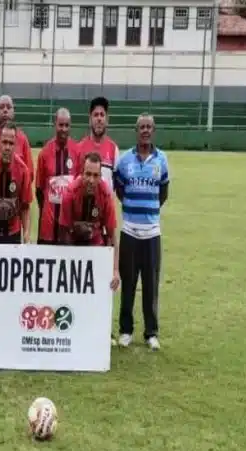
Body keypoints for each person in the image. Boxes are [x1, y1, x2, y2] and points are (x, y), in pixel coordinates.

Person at [114, 114, 170, 351]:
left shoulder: (162, 160)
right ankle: (126, 330)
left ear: (153, 130)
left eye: (149, 127)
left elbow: (163, 194)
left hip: (151, 233)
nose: (145, 131)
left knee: (151, 284)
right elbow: (119, 189)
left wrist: (149, 211)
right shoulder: (125, 160)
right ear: (135, 131)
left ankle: (151, 333)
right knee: (128, 283)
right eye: (141, 127)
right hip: (129, 231)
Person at [58, 151, 120, 292]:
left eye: (95, 175)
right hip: (73, 247)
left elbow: (112, 235)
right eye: (88, 174)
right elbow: (63, 232)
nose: (91, 180)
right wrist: (71, 261)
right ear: (82, 173)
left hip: (96, 247)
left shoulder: (106, 195)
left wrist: (115, 269)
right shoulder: (70, 193)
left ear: (100, 176)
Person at [35, 108, 79, 246]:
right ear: (55, 124)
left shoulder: (77, 151)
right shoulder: (44, 153)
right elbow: (39, 190)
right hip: (48, 228)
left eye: (67, 125)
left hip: (70, 229)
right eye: (61, 125)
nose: (64, 129)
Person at [76, 96, 119, 189]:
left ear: (107, 120)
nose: (99, 118)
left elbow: (115, 183)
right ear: (90, 119)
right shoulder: (79, 148)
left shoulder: (113, 149)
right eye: (95, 115)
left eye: (102, 115)